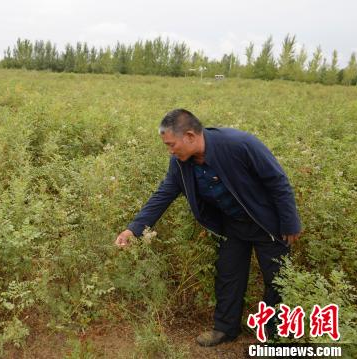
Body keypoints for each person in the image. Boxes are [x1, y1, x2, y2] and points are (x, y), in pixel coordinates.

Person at [115, 109, 301, 346]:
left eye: (172, 144)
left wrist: (289, 222)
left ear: (190, 136)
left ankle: (273, 335)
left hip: (268, 224)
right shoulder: (180, 164)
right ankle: (225, 329)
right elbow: (163, 194)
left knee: (277, 279)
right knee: (228, 276)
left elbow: (277, 181)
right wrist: (133, 229)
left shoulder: (240, 144)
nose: (170, 151)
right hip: (232, 226)